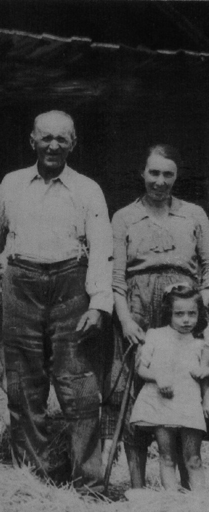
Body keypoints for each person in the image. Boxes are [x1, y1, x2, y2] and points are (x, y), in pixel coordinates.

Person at [0, 110, 113, 494]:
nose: (53, 145)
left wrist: (99, 303)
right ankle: (36, 479)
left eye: (62, 139)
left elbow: (103, 248)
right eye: (46, 138)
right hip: (20, 282)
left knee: (79, 387)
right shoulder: (11, 184)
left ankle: (88, 483)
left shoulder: (89, 189)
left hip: (71, 285)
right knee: (24, 386)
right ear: (32, 141)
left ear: (74, 143)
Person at [101, 144, 209, 489]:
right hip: (138, 307)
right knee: (136, 389)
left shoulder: (194, 215)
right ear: (142, 174)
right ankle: (138, 488)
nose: (160, 181)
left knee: (184, 389)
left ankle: (188, 488)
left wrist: (202, 316)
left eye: (168, 174)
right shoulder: (124, 217)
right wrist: (126, 320)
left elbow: (208, 271)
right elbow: (116, 279)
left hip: (185, 308)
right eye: (153, 173)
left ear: (177, 176)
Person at [130, 284, 208, 491]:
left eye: (192, 314)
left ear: (199, 314)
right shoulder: (156, 335)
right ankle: (171, 501)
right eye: (179, 314)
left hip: (189, 404)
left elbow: (205, 377)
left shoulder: (201, 342)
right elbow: (141, 369)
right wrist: (158, 377)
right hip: (161, 403)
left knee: (194, 458)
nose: (186, 320)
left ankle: (199, 502)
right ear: (168, 313)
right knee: (166, 457)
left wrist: (206, 383)